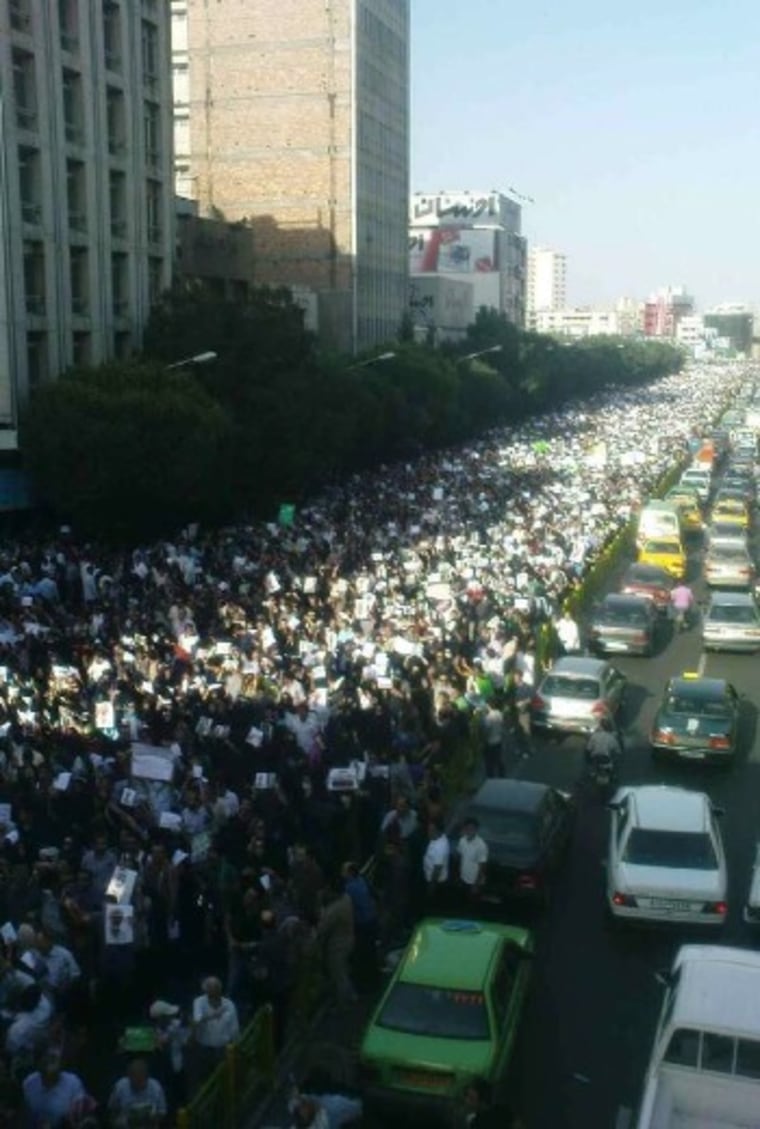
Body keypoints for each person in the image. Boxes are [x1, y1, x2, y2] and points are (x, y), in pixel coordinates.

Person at [22, 1049, 88, 1128]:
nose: (49, 1058)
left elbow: (83, 1120)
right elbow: (24, 1119)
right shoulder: (29, 1083)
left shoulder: (73, 1083)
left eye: (53, 1057)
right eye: (45, 1055)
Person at [107, 1057, 167, 1128]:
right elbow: (112, 1112)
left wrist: (151, 1119)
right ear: (129, 1077)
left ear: (147, 1076)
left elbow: (162, 1112)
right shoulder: (120, 1087)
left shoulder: (156, 1087)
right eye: (135, 1080)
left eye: (141, 1080)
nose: (138, 1084)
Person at [456, 817, 488, 903]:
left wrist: (476, 885)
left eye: (472, 829)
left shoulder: (481, 845)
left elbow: (483, 867)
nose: (470, 831)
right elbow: (460, 856)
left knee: (472, 903)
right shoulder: (462, 840)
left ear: (476, 830)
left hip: (474, 882)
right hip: (463, 878)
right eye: (468, 828)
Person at [422, 819, 450, 909]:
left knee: (432, 905)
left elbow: (437, 868)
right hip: (430, 876)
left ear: (439, 831)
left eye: (432, 830)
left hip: (436, 882)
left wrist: (431, 886)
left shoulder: (440, 847)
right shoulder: (437, 837)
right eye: (428, 829)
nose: (428, 832)